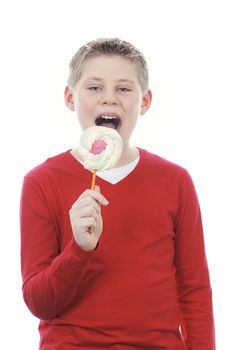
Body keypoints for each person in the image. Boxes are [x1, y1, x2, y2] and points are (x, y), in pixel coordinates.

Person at [20, 38, 215, 349]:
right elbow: (39, 303)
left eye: (123, 88)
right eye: (95, 87)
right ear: (70, 97)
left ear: (145, 101)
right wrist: (79, 249)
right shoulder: (42, 182)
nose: (109, 98)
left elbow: (194, 291)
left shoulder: (175, 181)